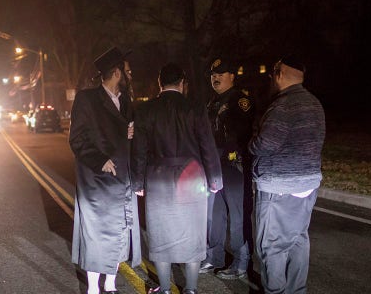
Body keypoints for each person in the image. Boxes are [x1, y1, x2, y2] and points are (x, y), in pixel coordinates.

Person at [131, 63, 223, 294]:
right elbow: (207, 145)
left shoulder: (146, 110)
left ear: (160, 84)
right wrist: (215, 178)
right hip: (191, 177)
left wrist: (138, 182)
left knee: (160, 234)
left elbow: (139, 149)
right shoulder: (194, 107)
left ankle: (164, 288)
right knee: (194, 234)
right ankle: (190, 289)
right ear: (182, 83)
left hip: (158, 178)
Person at [249, 55, 325, 294]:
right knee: (298, 240)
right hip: (308, 184)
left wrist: (251, 142)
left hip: (278, 187)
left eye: (272, 75)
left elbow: (265, 144)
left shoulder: (282, 105)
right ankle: (297, 290)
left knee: (272, 247)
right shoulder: (315, 103)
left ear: (279, 74)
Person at [69, 47, 140, 294]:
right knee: (97, 236)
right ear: (117, 72)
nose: (131, 76)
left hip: (122, 179)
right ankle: (92, 287)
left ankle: (110, 284)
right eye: (127, 71)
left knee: (120, 230)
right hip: (97, 181)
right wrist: (100, 160)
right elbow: (77, 139)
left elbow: (126, 134)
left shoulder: (127, 101)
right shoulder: (86, 99)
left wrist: (130, 134)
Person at [200, 58, 255, 279]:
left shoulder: (240, 100)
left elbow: (240, 133)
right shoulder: (213, 101)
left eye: (221, 73)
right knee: (215, 214)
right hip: (216, 165)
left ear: (232, 75)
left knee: (238, 215)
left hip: (234, 166)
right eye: (213, 74)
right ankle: (214, 257)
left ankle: (241, 263)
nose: (215, 77)